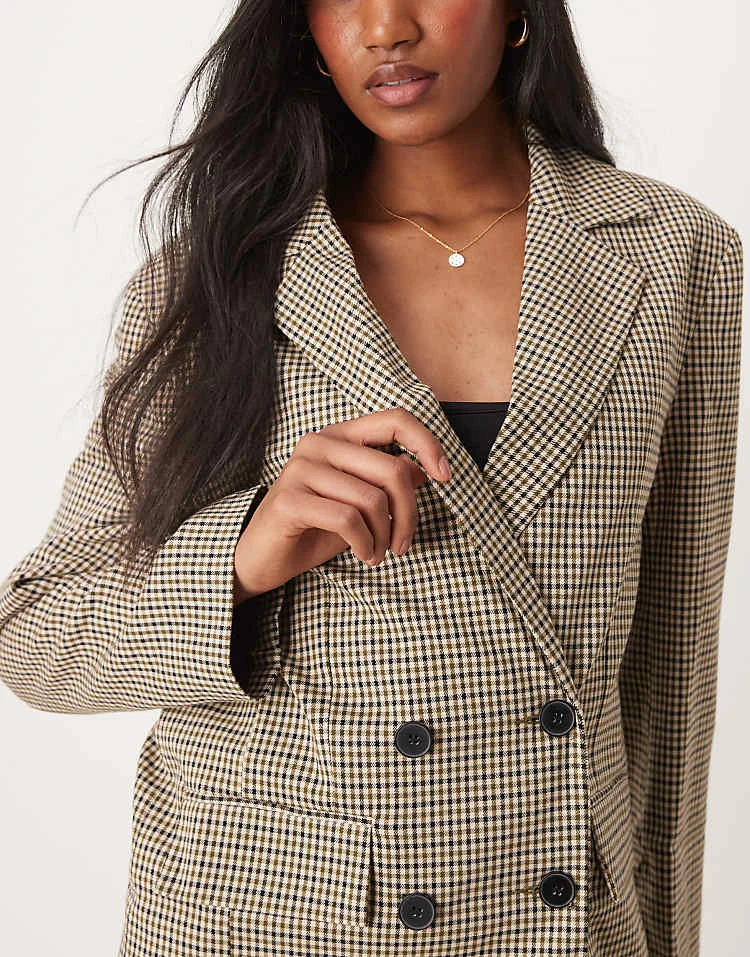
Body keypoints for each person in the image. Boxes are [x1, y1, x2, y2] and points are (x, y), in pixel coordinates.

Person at [0, 2, 743, 955]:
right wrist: (242, 554)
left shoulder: (673, 253)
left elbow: (671, 669)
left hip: (556, 918)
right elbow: (35, 636)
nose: (386, 27)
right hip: (274, 921)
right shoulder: (226, 269)